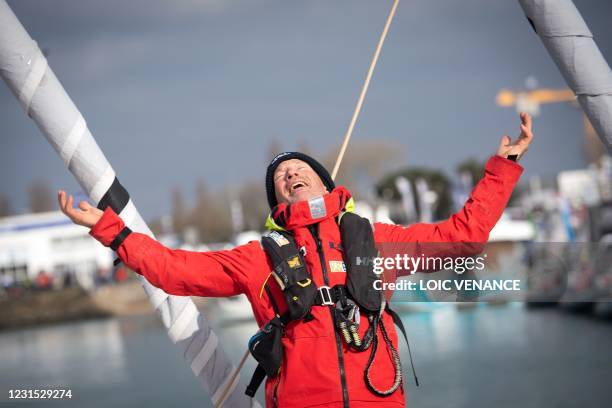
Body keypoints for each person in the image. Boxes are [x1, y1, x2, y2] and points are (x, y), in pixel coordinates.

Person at [58, 113, 534, 407]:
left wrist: (504, 167)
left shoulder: (374, 240)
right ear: (277, 199)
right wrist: (109, 229)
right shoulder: (257, 259)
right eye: (281, 175)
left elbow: (464, 237)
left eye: (299, 168)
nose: (289, 174)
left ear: (326, 185)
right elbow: (173, 270)